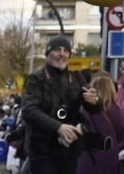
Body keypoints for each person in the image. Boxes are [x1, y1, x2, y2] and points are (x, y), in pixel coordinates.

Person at [23, 35, 92, 174]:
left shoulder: (77, 78)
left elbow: (93, 109)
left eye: (66, 51)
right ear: (48, 53)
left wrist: (94, 102)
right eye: (57, 50)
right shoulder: (36, 78)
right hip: (42, 151)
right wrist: (58, 127)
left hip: (70, 149)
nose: (62, 54)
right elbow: (29, 110)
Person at [78, 75, 124, 174]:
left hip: (88, 157)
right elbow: (120, 136)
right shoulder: (118, 111)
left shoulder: (86, 110)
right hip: (110, 156)